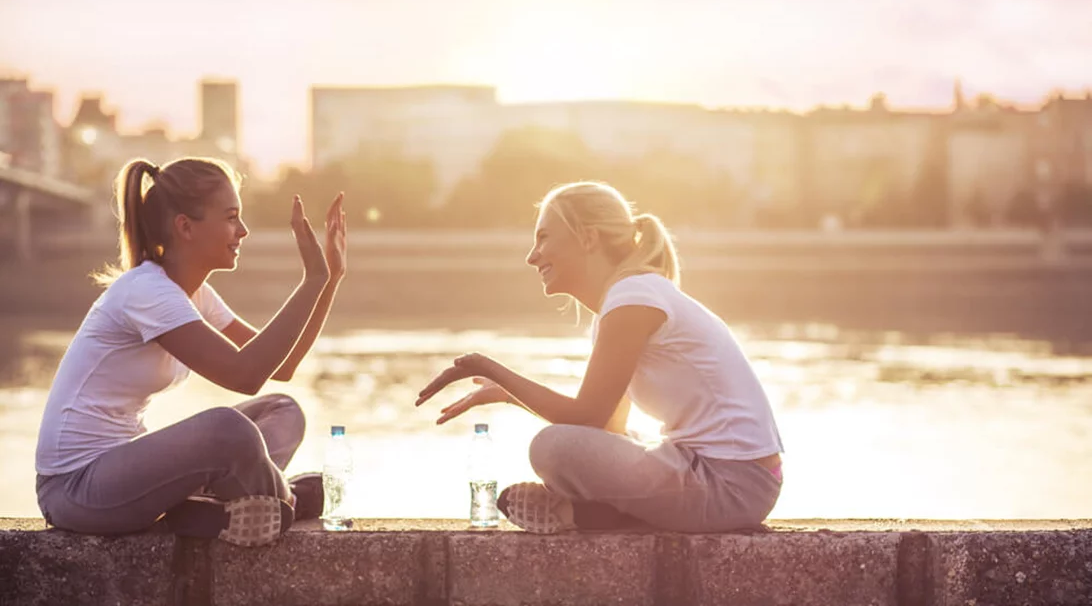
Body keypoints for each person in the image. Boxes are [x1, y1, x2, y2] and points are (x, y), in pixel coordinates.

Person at [416, 181, 783, 534]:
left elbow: (586, 416)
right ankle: (600, 514)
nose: (532, 256)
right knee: (577, 442)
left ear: (588, 238)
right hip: (724, 478)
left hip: (732, 486)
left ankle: (586, 512)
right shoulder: (623, 302)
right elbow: (607, 427)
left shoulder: (634, 297)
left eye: (543, 237)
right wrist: (509, 395)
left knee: (552, 447)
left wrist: (486, 365)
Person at [34, 157, 347, 547]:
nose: (243, 231)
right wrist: (312, 279)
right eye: (231, 217)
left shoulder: (195, 294)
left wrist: (328, 280)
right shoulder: (146, 292)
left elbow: (281, 368)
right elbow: (244, 375)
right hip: (75, 491)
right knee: (228, 430)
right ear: (185, 226)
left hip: (123, 475)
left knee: (282, 409)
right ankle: (283, 500)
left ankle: (223, 507)